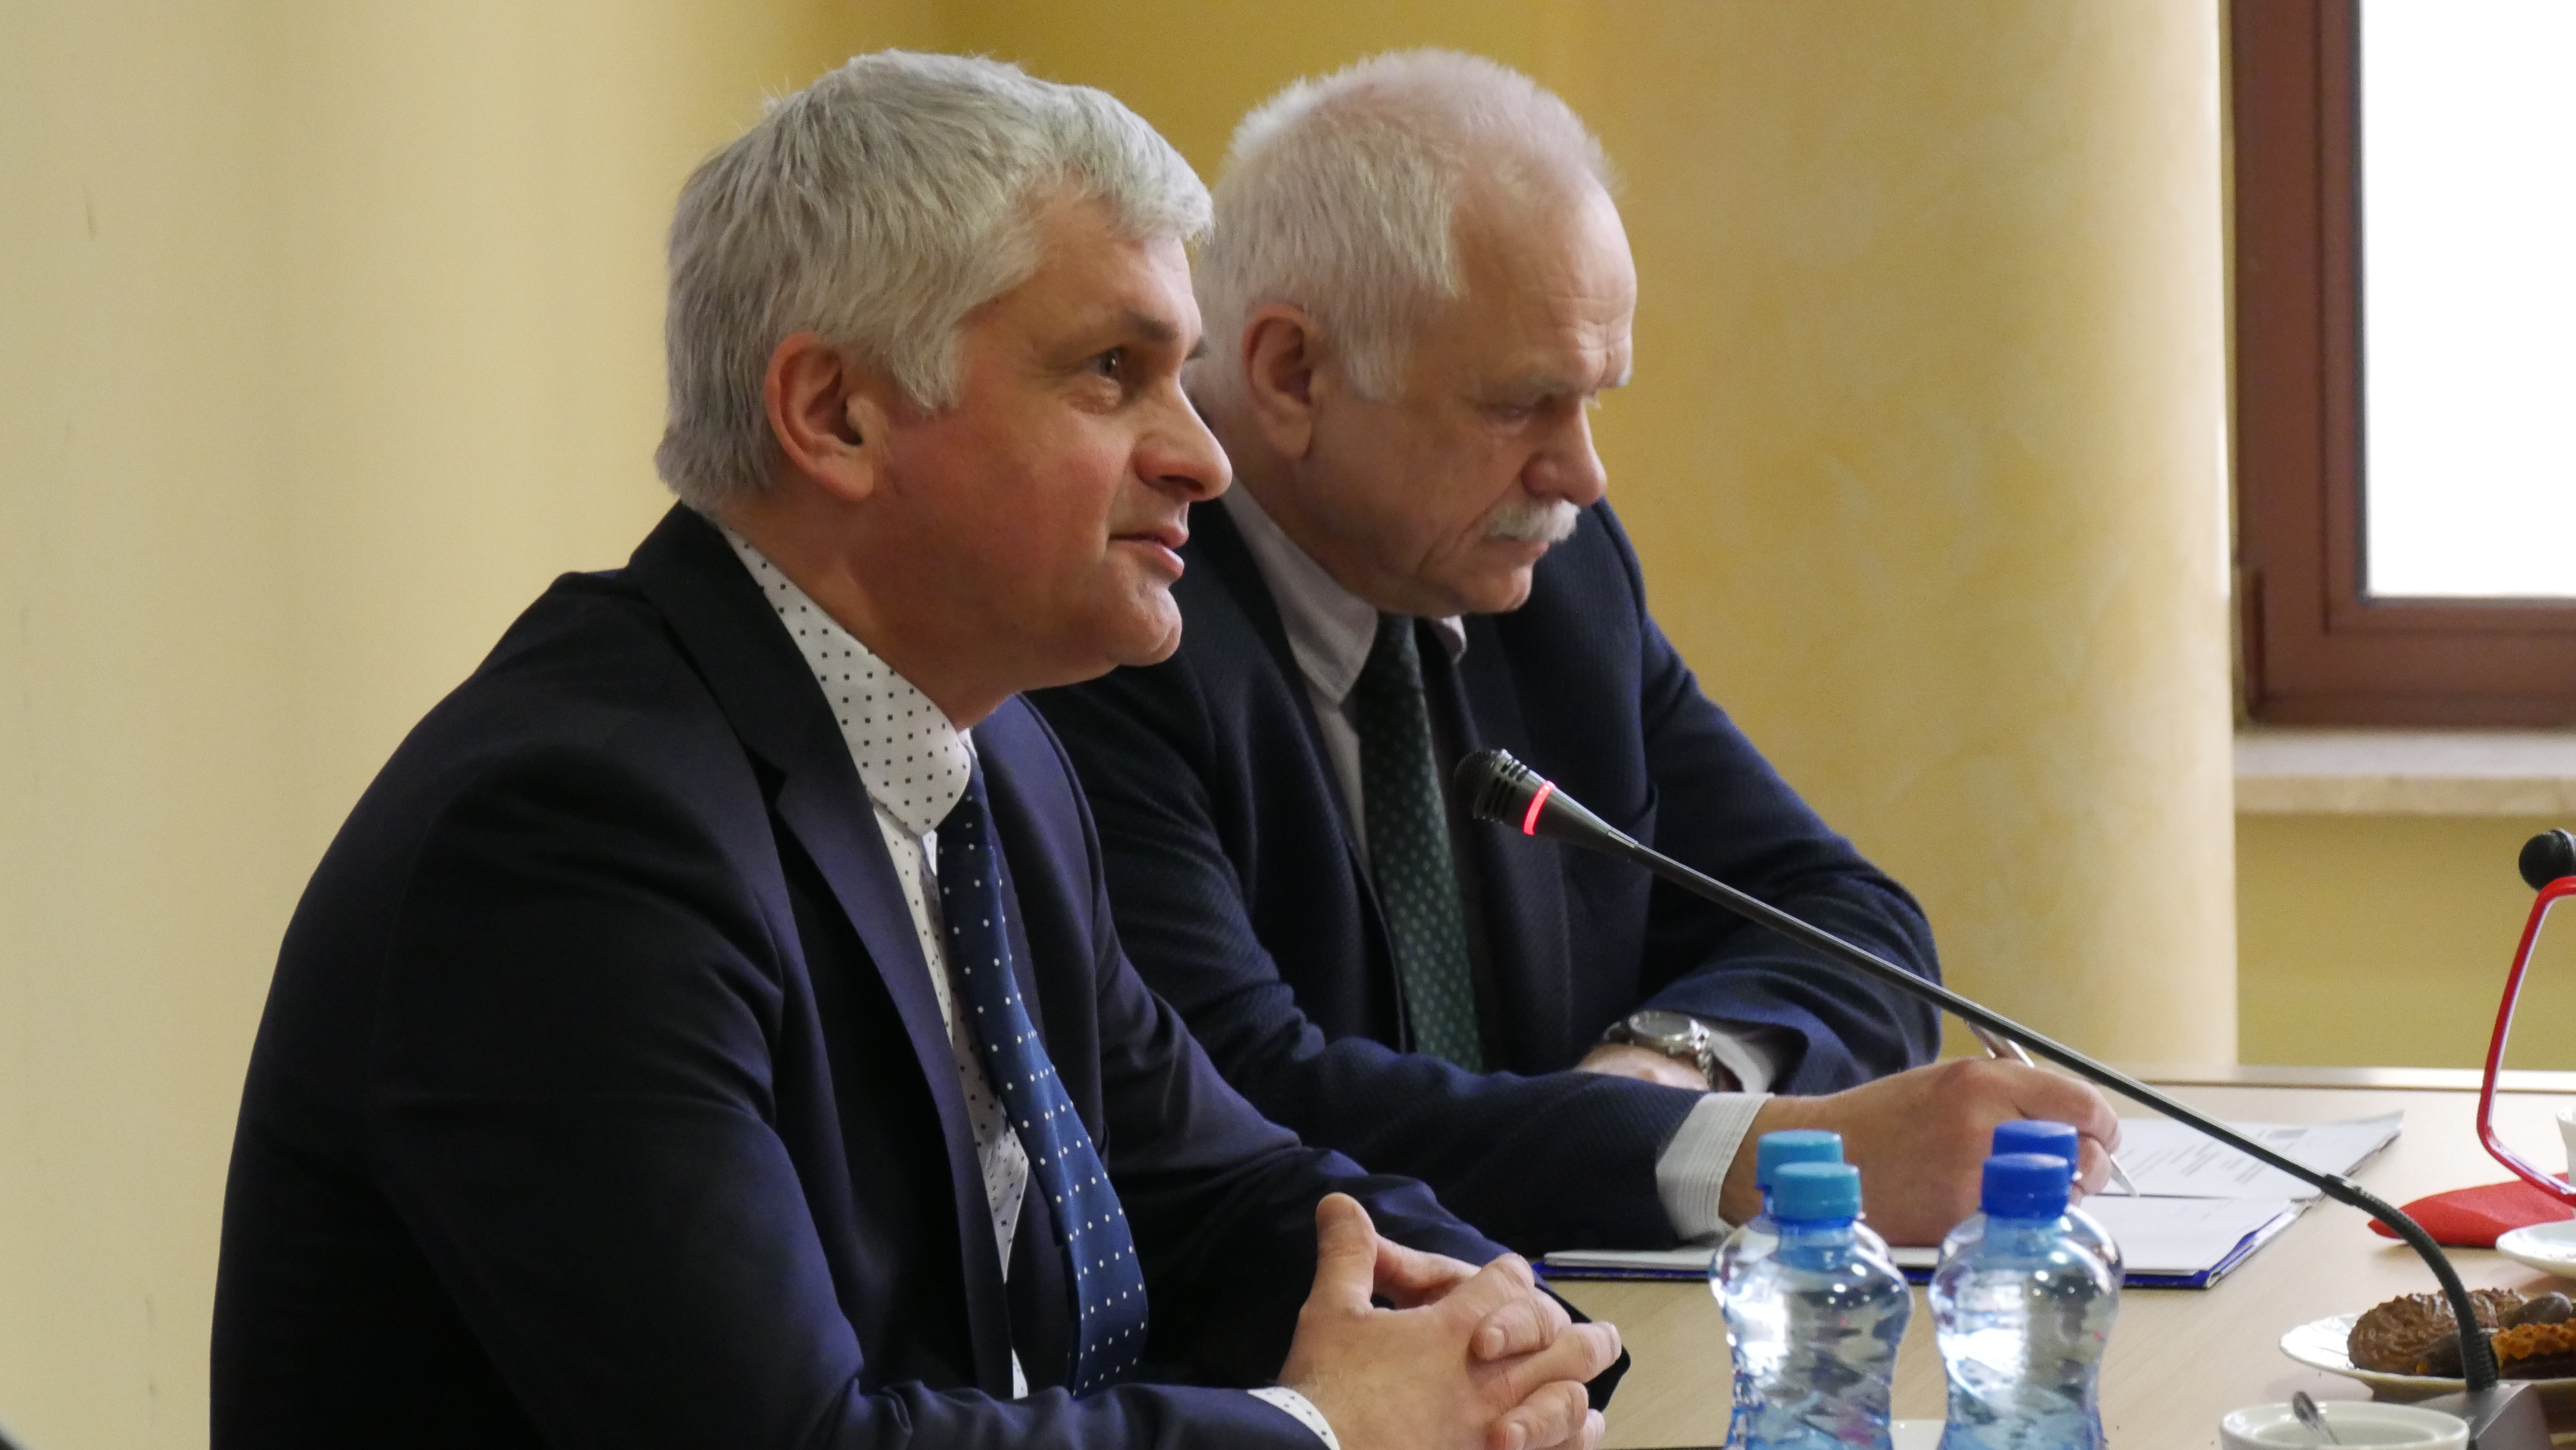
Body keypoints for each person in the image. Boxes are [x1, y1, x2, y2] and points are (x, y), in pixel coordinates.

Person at [209, 52, 1621, 1450]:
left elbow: (1212, 1186)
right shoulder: (573, 838)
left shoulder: (998, 759)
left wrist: (1482, 1320)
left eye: (1181, 377)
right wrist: (1317, 1431)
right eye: (1113, 372)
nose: (1203, 456)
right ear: (836, 415)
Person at [1029, 51, 2118, 1252]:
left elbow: (1851, 923)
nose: (1581, 474)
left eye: (1595, 398)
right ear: (1293, 373)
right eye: (1519, 405)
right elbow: (1247, 1105)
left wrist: (1666, 1069)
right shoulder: (1108, 621)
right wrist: (1750, 1153)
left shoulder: (1557, 581)